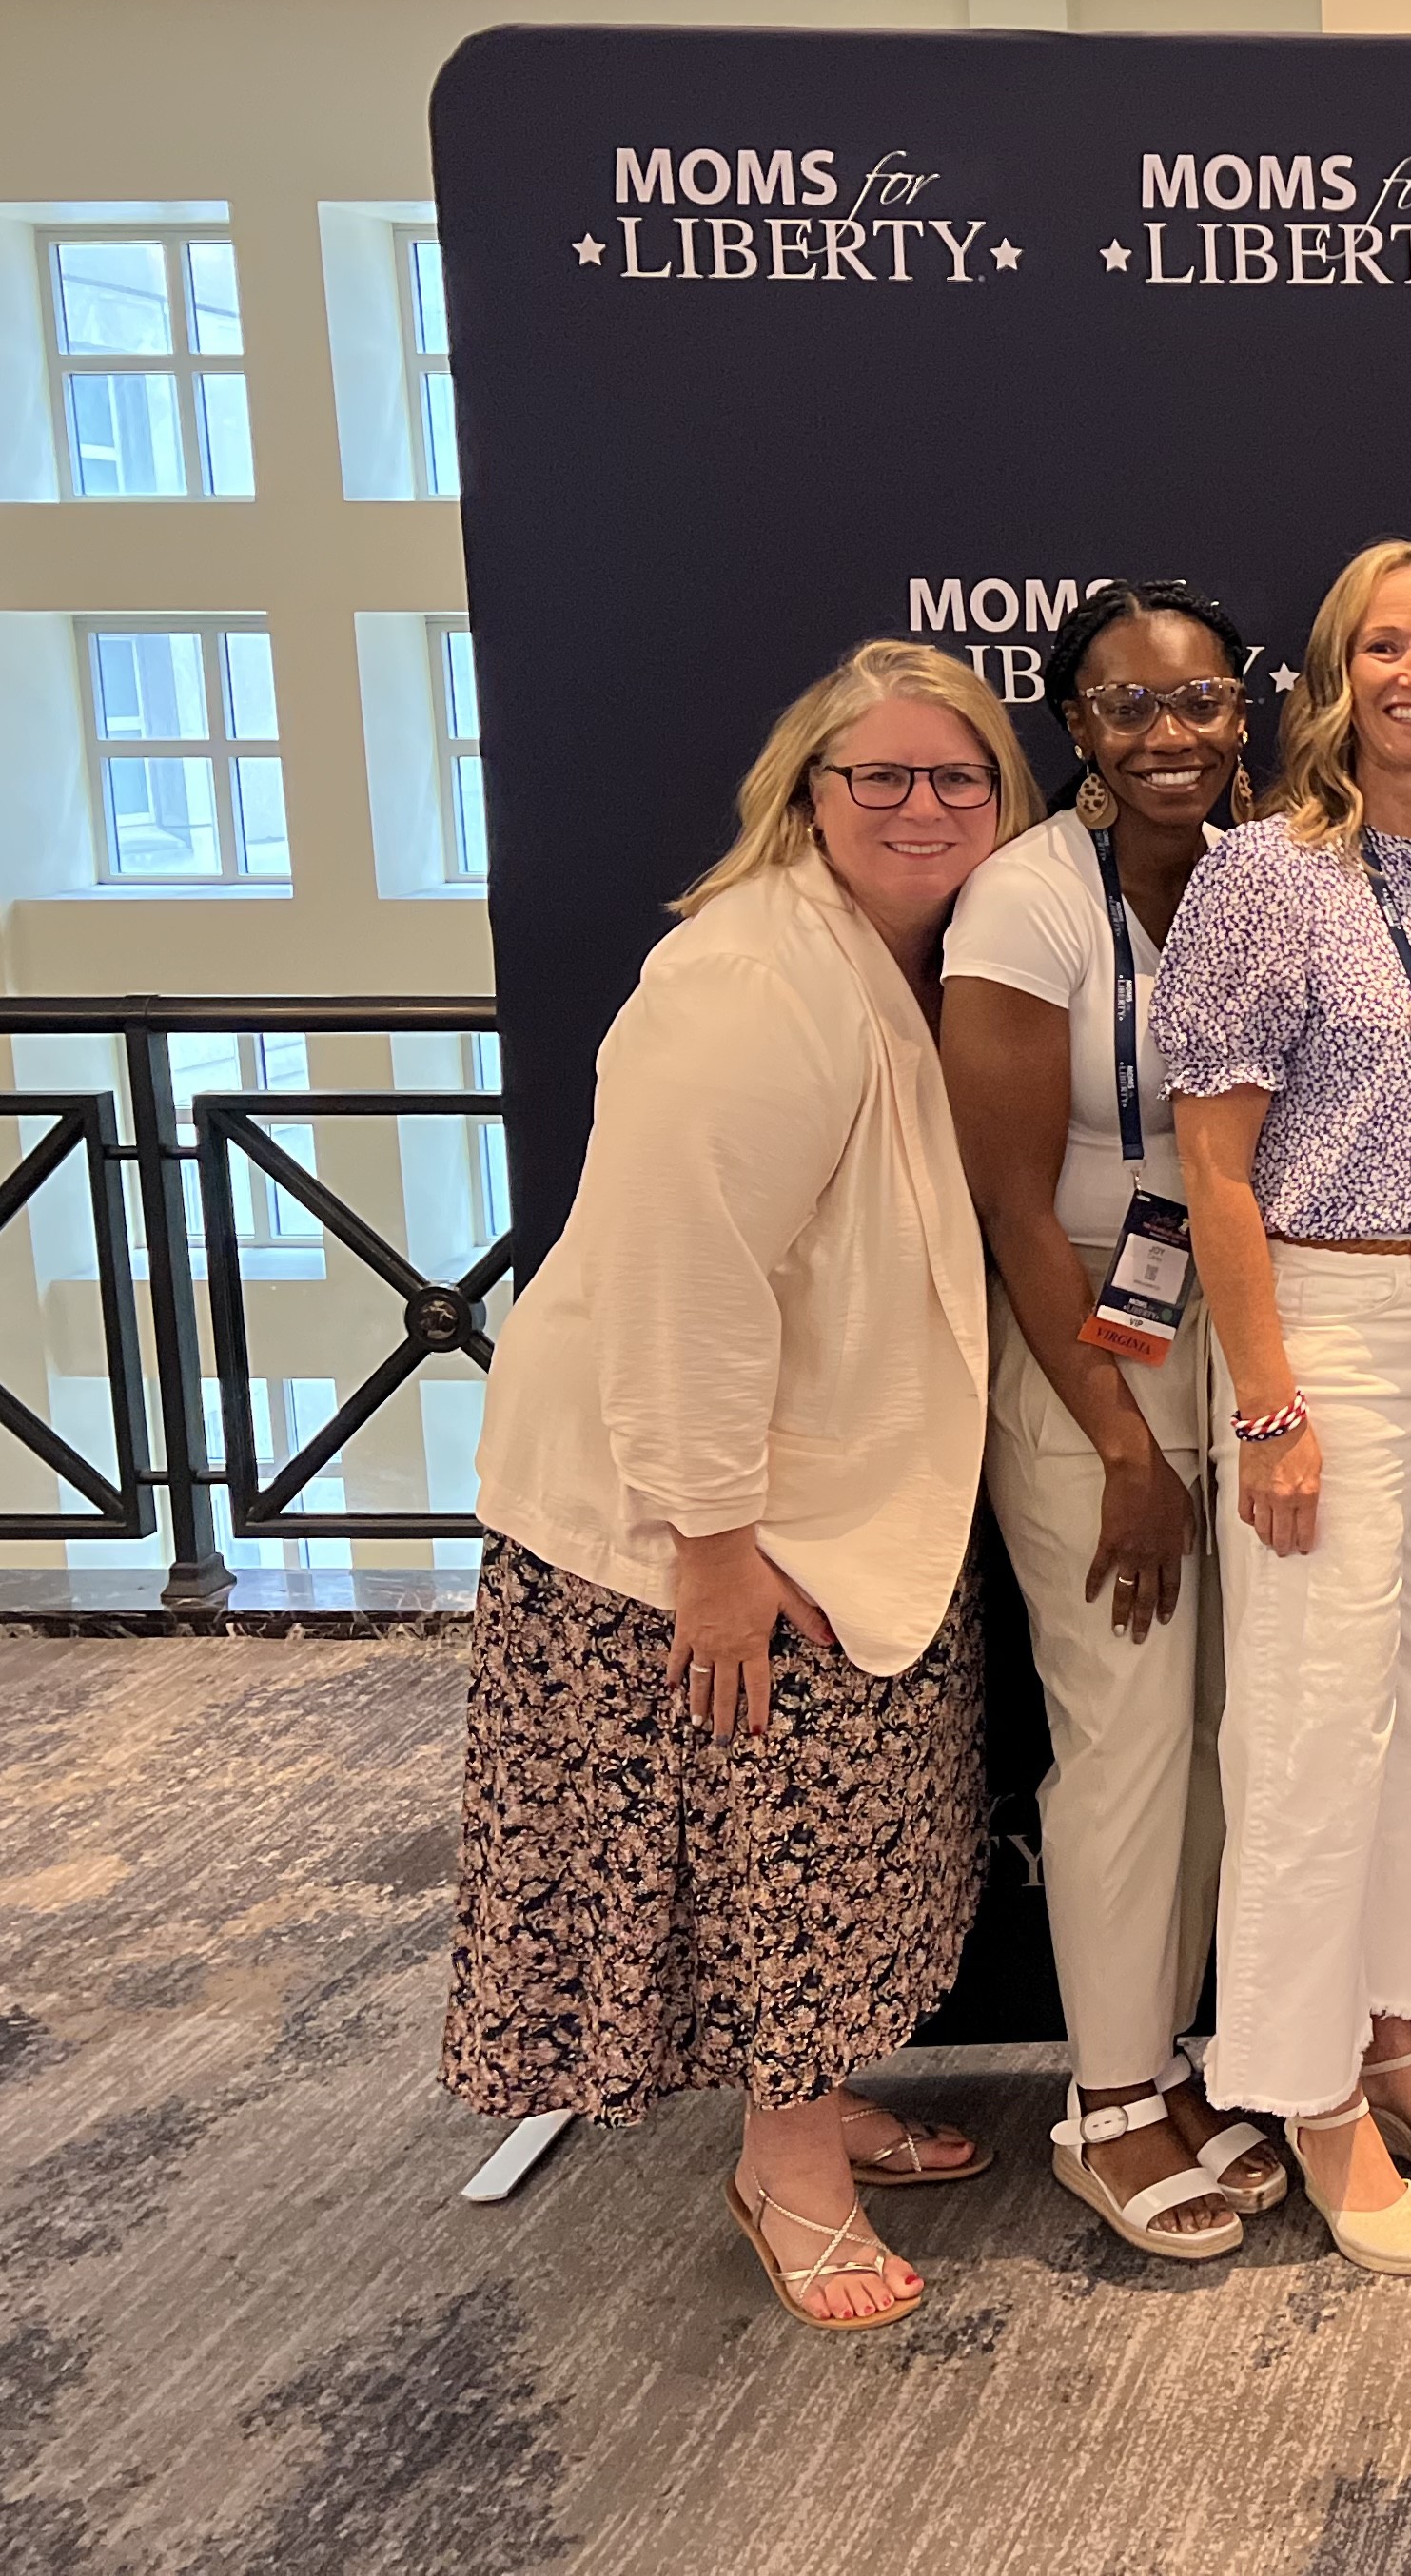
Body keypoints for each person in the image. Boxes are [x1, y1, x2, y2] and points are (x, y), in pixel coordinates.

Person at [448, 638, 1035, 2333]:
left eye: (959, 777)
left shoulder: (894, 960)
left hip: (821, 1501)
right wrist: (709, 1542)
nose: (922, 807)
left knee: (845, 1843)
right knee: (775, 1857)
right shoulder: (750, 975)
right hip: (701, 1525)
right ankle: (787, 2171)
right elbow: (680, 1269)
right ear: (807, 794)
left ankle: (816, 2103)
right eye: (881, 776)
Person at [1160, 538, 1411, 2278]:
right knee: (1313, 1728)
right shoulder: (1262, 874)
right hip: (1323, 1327)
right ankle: (1303, 2091)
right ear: (1333, 672)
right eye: (1387, 646)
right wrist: (1269, 1406)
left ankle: (1390, 2040)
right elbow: (1214, 1173)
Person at [943, 578, 1292, 2261]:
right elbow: (1011, 1208)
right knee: (1127, 1728)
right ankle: (1103, 2101)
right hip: (1089, 1329)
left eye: (1200, 700)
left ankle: (1170, 2063)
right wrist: (1122, 1447)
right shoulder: (1027, 900)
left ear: (1244, 712)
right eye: (1128, 706)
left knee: (1230, 1725)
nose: (1169, 735)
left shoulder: (1264, 876)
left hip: (1247, 1317)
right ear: (1074, 725)